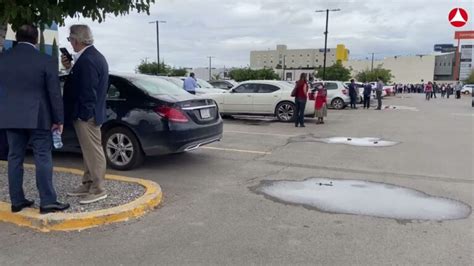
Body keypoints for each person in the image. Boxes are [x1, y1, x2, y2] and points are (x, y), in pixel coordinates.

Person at [0, 25, 69, 214]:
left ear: (17, 38)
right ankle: (47, 201)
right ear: (36, 40)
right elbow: (54, 93)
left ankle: (17, 200)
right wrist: (59, 119)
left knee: (14, 157)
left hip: (10, 117)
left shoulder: (3, 59)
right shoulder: (46, 60)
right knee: (42, 156)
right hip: (39, 117)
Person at [61, 24, 109, 204]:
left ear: (77, 40)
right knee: (89, 151)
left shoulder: (88, 60)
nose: (70, 43)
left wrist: (83, 115)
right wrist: (70, 68)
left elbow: (89, 91)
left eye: (70, 39)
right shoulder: (92, 57)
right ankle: (88, 183)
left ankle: (98, 188)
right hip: (89, 113)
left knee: (93, 151)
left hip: (86, 115)